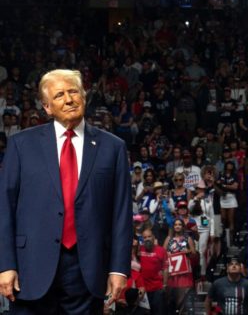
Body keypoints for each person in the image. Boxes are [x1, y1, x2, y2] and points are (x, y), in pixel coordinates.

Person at [0, 69, 132, 313]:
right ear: (47, 107)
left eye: (73, 91)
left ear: (84, 96)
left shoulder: (113, 147)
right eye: (60, 95)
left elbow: (121, 213)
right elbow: (4, 208)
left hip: (89, 270)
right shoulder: (21, 145)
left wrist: (118, 268)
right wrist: (5, 264)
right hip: (30, 267)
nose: (69, 99)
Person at [139, 229, 167, 315]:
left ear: (153, 237)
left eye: (149, 236)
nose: (147, 239)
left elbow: (165, 268)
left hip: (157, 288)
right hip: (143, 288)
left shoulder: (161, 250)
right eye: (145, 237)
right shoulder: (139, 250)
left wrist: (165, 284)